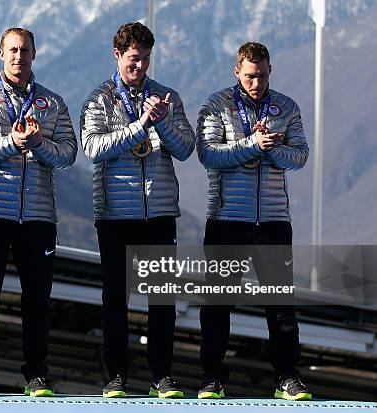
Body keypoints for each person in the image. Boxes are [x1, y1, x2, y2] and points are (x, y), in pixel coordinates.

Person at [80, 22, 195, 398]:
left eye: (145, 59)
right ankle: (117, 376)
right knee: (116, 298)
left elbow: (186, 149)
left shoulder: (167, 97)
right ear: (117, 55)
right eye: (133, 59)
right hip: (115, 214)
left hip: (159, 212)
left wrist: (161, 123)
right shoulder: (98, 99)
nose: (140, 66)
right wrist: (141, 125)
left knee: (161, 298)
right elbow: (94, 148)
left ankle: (162, 375)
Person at [0, 27, 77, 397]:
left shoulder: (53, 103)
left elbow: (69, 154)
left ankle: (36, 374)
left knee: (38, 300)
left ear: (34, 54)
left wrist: (40, 143)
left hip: (39, 216)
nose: (18, 56)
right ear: (1, 54)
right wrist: (12, 141)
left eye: (25, 50)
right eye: (12, 50)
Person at [195, 41, 311, 400]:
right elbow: (208, 155)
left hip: (274, 220)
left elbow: (301, 156)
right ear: (236, 72)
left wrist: (274, 149)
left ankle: (288, 377)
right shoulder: (217, 105)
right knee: (218, 304)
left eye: (261, 76)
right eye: (249, 76)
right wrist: (251, 144)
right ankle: (212, 377)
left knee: (280, 306)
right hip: (228, 220)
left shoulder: (287, 107)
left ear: (270, 70)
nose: (255, 83)